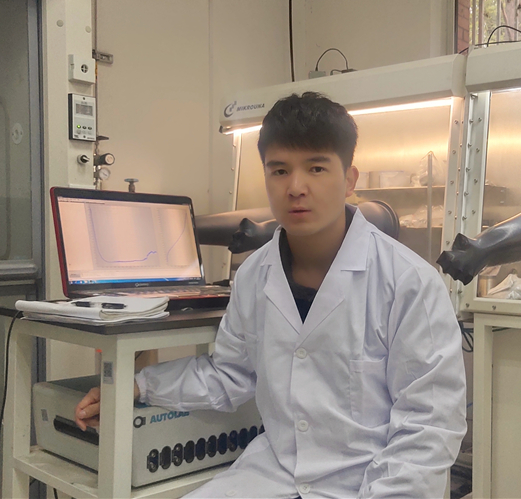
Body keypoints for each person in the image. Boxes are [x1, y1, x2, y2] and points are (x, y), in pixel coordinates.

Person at [75, 92, 467, 498]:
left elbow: (428, 425)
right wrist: (138, 387)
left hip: (368, 482)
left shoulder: (409, 283)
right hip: (273, 474)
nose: (296, 187)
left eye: (316, 168)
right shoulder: (254, 275)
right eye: (279, 170)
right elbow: (230, 374)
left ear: (350, 180)